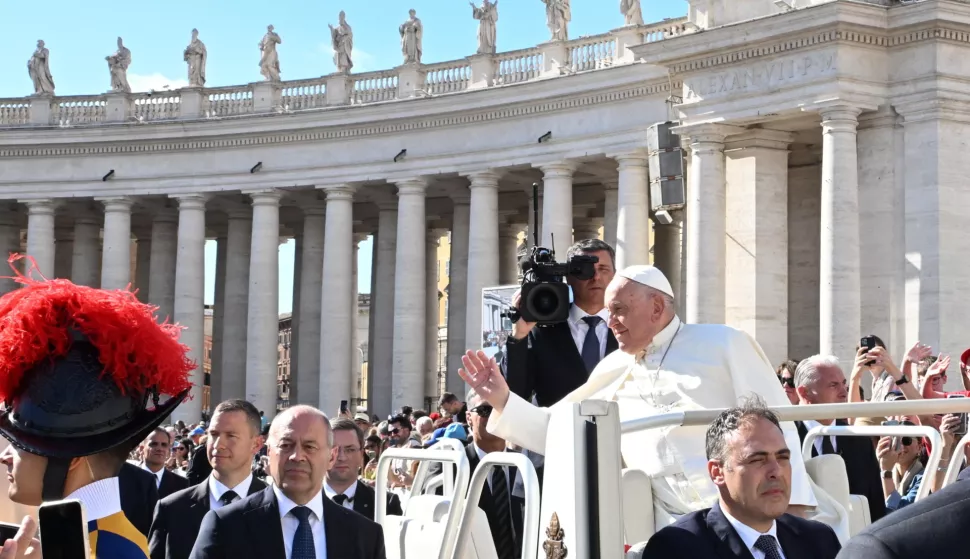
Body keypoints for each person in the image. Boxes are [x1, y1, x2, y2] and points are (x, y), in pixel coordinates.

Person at [460, 264, 846, 536]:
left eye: (620, 310)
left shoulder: (724, 343)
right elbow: (563, 431)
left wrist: (790, 509)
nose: (610, 322)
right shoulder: (614, 366)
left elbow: (779, 427)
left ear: (657, 308)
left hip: (756, 512)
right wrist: (502, 399)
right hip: (670, 524)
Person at [0, 260, 194, 558]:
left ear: (72, 459)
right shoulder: (96, 540)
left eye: (18, 443)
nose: (5, 456)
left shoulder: (104, 549)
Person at [641, 398, 842, 559]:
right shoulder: (678, 549)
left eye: (782, 457)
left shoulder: (818, 539)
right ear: (717, 472)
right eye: (757, 460)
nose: (776, 471)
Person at [189, 405, 386, 559]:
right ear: (268, 453)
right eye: (286, 445)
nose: (297, 456)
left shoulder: (366, 535)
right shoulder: (225, 525)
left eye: (310, 446)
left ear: (331, 457)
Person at [505, 239, 619, 407]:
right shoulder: (540, 331)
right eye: (585, 270)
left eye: (603, 269)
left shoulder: (631, 327)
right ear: (569, 277)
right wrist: (519, 336)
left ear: (614, 276)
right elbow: (515, 394)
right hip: (561, 430)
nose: (595, 277)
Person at [149, 400, 266, 559]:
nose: (218, 445)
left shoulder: (278, 507)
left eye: (231, 435)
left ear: (256, 444)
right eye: (214, 434)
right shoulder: (171, 508)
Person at [793, 355, 886, 523]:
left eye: (844, 383)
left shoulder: (858, 439)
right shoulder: (784, 439)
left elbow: (875, 504)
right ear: (804, 392)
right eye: (833, 385)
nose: (844, 392)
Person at [465, 389, 523, 559]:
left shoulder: (526, 468)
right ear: (469, 417)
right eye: (485, 410)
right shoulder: (452, 468)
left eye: (500, 410)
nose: (494, 416)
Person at [325, 419, 402, 521]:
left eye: (350, 450)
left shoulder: (385, 503)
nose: (341, 457)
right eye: (333, 449)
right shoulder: (300, 500)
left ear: (361, 453)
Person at [141, 429, 190, 500]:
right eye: (154, 444)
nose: (159, 448)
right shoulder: (126, 479)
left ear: (168, 450)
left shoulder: (182, 484)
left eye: (164, 445)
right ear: (142, 449)